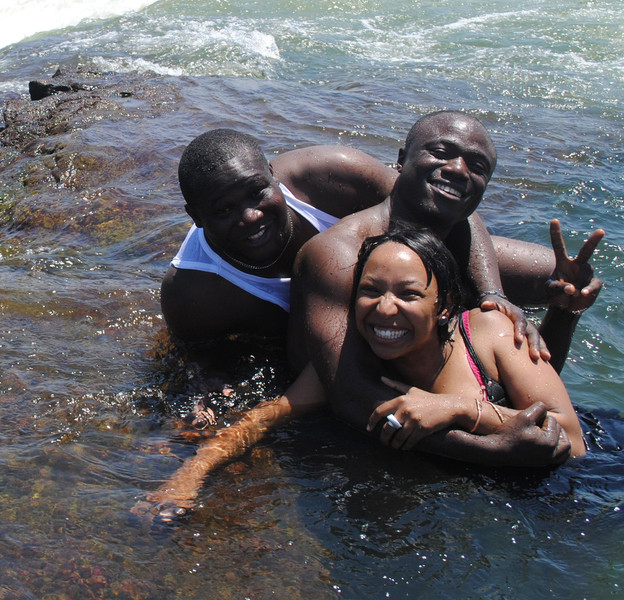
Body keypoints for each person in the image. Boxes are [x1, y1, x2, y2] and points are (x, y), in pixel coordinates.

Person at [137, 220, 599, 522]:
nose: (385, 309)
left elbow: (571, 442)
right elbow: (265, 417)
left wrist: (456, 408)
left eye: (409, 294)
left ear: (444, 307)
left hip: (590, 483)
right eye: (370, 290)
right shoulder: (356, 362)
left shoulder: (491, 334)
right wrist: (187, 477)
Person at [290, 110, 603, 465]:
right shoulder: (339, 253)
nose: (457, 169)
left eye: (477, 166)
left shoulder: (456, 241)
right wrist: (491, 450)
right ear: (401, 160)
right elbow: (351, 396)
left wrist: (564, 311)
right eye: (441, 152)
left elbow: (532, 401)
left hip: (457, 424)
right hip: (345, 433)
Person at [160, 129, 397, 349]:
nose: (251, 216)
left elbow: (416, 203)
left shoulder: (335, 176)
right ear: (195, 217)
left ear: (273, 176)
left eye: (256, 193)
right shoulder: (190, 294)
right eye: (224, 210)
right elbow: (199, 363)